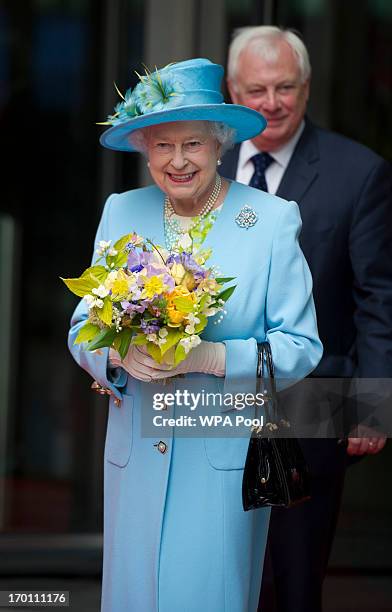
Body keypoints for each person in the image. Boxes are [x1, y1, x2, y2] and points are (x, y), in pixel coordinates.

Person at [67, 58, 322, 611]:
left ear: (220, 144)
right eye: (162, 146)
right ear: (144, 148)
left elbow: (301, 348)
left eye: (193, 145)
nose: (178, 161)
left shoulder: (272, 220)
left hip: (219, 459)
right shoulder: (121, 211)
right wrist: (115, 356)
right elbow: (83, 326)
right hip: (135, 453)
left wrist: (212, 356)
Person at [222, 26, 392, 612]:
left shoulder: (359, 173)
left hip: (311, 401)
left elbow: (379, 295)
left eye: (285, 87)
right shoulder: (199, 165)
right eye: (256, 89)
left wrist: (372, 402)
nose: (271, 102)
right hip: (209, 400)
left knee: (292, 581)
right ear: (232, 90)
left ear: (307, 87)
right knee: (216, 571)